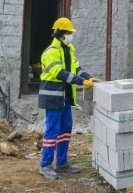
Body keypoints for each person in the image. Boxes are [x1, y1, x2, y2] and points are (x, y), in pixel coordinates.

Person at [38, 17, 100, 180]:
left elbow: (76, 69)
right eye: (68, 33)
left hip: (65, 97)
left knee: (65, 129)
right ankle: (45, 165)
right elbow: (60, 73)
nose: (70, 35)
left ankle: (62, 162)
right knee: (52, 130)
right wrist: (81, 82)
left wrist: (88, 77)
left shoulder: (69, 49)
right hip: (53, 97)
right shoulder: (50, 52)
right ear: (59, 33)